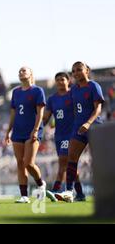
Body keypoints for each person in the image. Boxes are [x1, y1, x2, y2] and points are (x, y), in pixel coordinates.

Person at [55, 62, 105, 203]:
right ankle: (69, 192)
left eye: (79, 70)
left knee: (98, 161)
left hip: (94, 126)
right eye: (73, 71)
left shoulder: (94, 86)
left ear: (87, 70)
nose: (76, 73)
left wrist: (88, 123)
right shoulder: (74, 90)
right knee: (72, 157)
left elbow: (98, 109)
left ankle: (103, 189)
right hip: (78, 128)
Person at [4, 67, 47, 203]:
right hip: (17, 131)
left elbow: (40, 113)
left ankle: (41, 184)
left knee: (28, 163)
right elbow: (13, 113)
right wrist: (8, 131)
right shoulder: (15, 92)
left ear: (30, 74)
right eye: (20, 71)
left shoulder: (37, 91)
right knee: (20, 163)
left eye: (24, 71)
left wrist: (35, 130)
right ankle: (24, 195)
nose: (21, 73)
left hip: (32, 131)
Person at [43, 72, 85, 201]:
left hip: (71, 134)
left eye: (62, 79)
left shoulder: (73, 94)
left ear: (68, 81)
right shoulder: (52, 99)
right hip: (59, 136)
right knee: (70, 165)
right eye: (57, 80)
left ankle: (56, 191)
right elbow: (46, 118)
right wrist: (37, 126)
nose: (60, 82)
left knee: (63, 163)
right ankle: (80, 193)